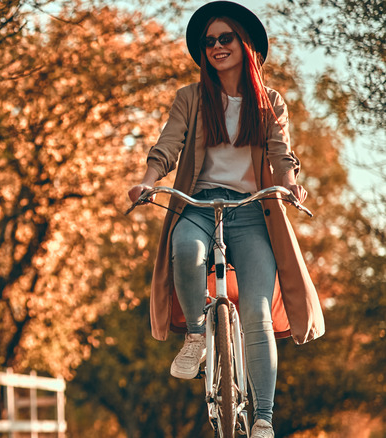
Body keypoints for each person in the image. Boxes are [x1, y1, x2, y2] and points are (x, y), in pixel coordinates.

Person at [127, 2, 325, 437]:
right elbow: (167, 145)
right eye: (209, 41)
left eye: (225, 38)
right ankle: (197, 336)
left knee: (255, 311)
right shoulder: (192, 98)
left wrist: (290, 184)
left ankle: (263, 420)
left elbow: (280, 151)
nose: (216, 46)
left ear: (245, 44)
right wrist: (146, 181)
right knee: (185, 249)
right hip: (198, 203)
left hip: (253, 208)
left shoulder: (269, 102)